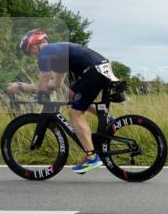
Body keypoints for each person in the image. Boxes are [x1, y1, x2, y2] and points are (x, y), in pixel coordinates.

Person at [7, 29, 116, 174]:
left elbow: (42, 85)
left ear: (34, 46)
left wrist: (20, 86)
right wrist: (39, 89)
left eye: (29, 52)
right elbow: (56, 84)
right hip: (101, 68)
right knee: (70, 94)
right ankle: (110, 122)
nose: (31, 56)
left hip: (94, 72)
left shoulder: (45, 53)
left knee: (75, 113)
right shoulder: (56, 52)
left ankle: (92, 157)